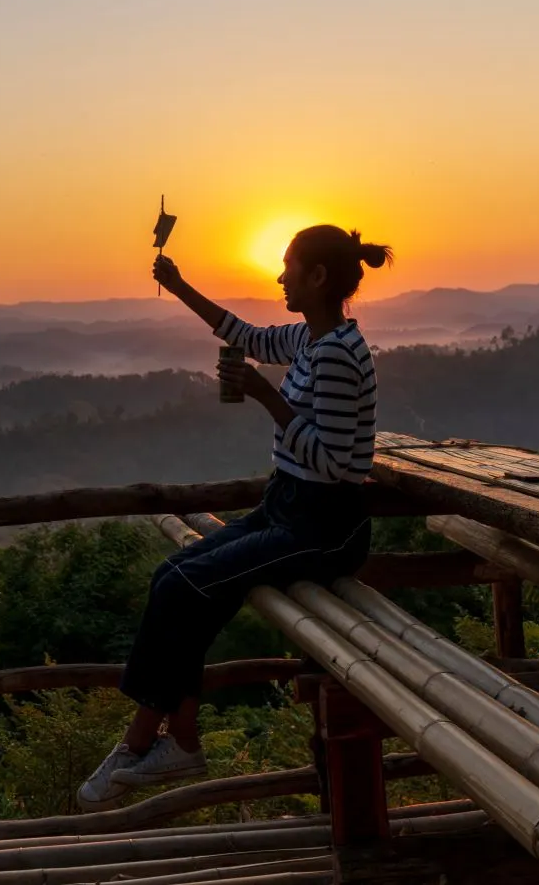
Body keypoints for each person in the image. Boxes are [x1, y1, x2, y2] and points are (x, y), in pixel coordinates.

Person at [75, 225, 391, 812]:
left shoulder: (340, 357)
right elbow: (243, 334)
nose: (280, 277)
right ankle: (180, 741)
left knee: (186, 587)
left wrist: (269, 399)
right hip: (287, 505)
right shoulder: (309, 339)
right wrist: (180, 285)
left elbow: (343, 468)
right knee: (172, 576)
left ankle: (141, 744)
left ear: (318, 277)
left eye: (289, 266)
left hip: (323, 526)